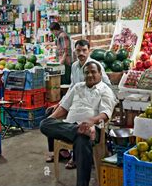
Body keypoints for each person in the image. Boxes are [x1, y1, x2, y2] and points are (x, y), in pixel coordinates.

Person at [40, 61, 117, 186]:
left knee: (82, 140)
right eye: (87, 73)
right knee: (44, 123)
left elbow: (105, 115)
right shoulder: (77, 87)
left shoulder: (105, 90)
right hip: (71, 127)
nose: (90, 75)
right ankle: (77, 130)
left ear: (100, 73)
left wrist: (91, 121)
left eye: (93, 72)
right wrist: (51, 119)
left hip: (93, 130)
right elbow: (64, 107)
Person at [45, 39, 112, 167]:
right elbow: (72, 86)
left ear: (89, 51)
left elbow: (106, 85)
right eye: (78, 50)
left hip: (91, 102)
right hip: (76, 100)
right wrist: (60, 103)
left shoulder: (95, 66)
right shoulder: (75, 66)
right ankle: (60, 151)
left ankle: (75, 156)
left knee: (80, 119)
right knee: (50, 114)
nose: (81, 53)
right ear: (75, 51)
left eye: (84, 50)